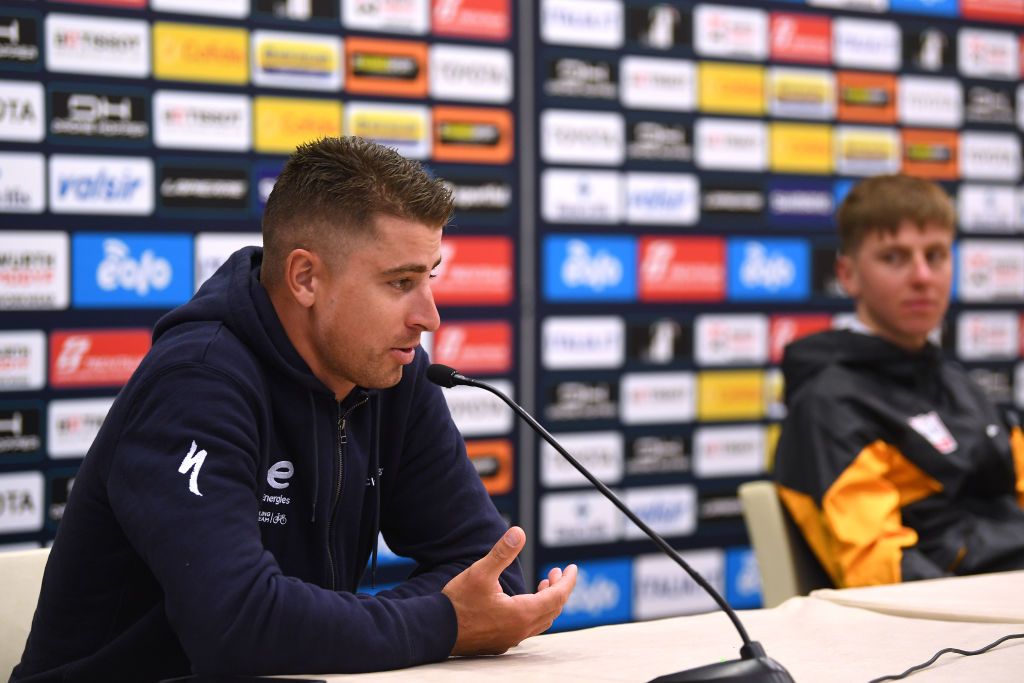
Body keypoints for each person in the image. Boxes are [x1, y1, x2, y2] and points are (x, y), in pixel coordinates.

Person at [12, 137, 577, 682]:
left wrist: (433, 616)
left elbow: (489, 574)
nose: (429, 316)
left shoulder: (394, 372)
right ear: (305, 277)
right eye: (400, 282)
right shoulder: (198, 383)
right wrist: (445, 620)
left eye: (429, 277)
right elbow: (235, 626)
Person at [773, 174, 1024, 589]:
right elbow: (882, 574)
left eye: (936, 255)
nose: (922, 276)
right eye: (894, 258)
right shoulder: (829, 403)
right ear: (849, 275)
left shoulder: (954, 381)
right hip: (964, 627)